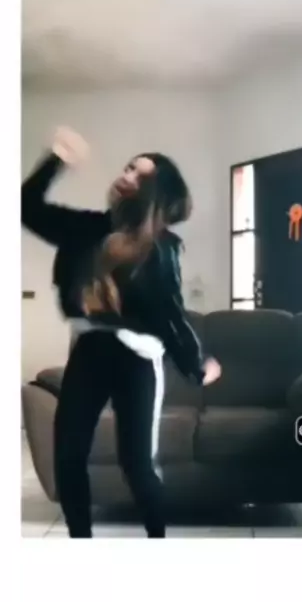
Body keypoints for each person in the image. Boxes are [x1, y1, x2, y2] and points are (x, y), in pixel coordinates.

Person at [21, 126, 222, 538]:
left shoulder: (162, 246)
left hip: (137, 358)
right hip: (90, 350)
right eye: (128, 167)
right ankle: (81, 544)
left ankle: (156, 542)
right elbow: (24, 207)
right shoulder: (87, 229)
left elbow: (169, 312)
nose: (127, 174)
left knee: (137, 465)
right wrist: (56, 159)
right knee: (68, 456)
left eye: (140, 174)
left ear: (156, 192)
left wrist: (195, 364)